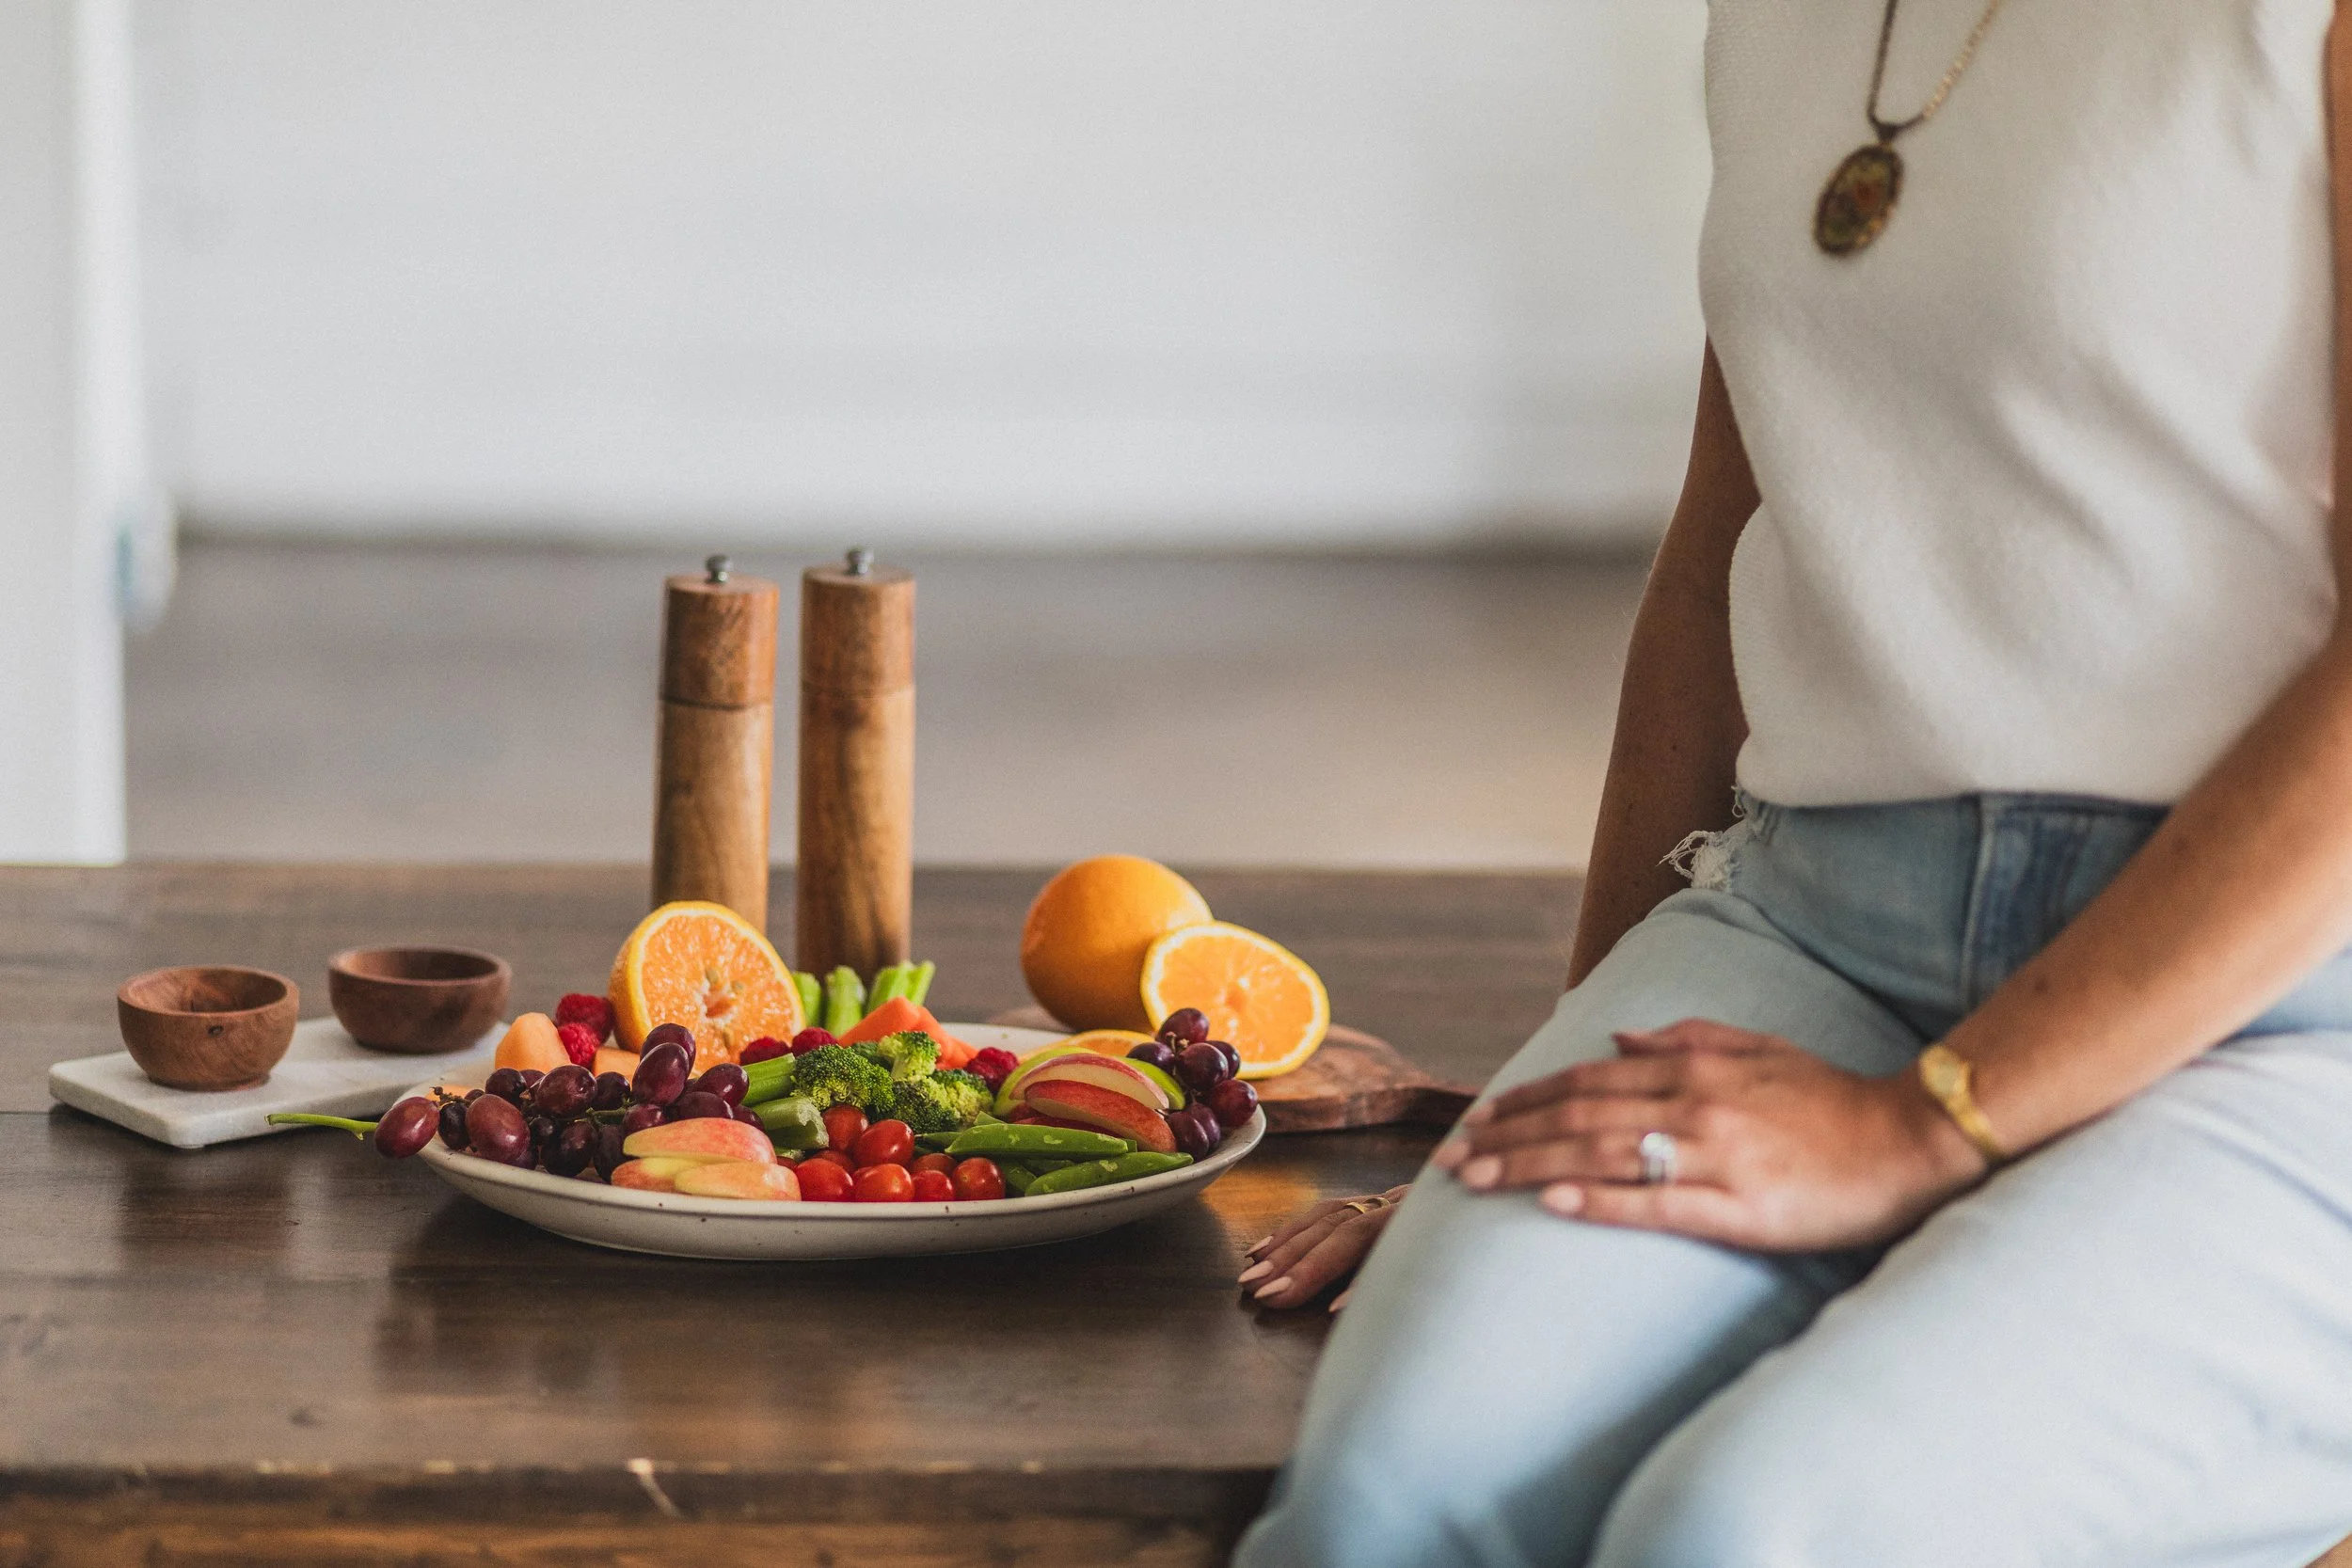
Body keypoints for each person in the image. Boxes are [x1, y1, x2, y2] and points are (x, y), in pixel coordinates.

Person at [1232, 1, 2352, 1564]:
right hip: (1821, 922)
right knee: (1391, 1509)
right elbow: (1717, 559)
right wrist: (1549, 1096)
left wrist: (1922, 1127)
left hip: (2284, 1012)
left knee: (1749, 1539)